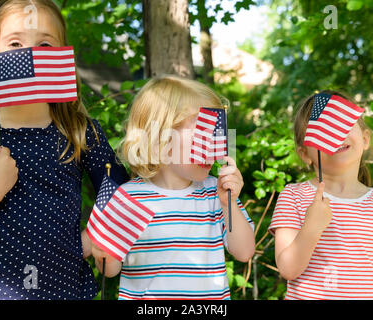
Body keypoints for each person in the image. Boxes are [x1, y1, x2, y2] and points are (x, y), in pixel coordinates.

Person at [0, 0, 128, 300]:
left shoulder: (79, 131)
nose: (31, 55)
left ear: (62, 56)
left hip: (68, 291)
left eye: (45, 45)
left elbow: (119, 190)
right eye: (15, 43)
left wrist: (92, 238)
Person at [89, 75, 255, 300]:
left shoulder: (215, 194)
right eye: (202, 134)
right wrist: (102, 254)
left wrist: (229, 204)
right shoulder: (128, 198)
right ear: (161, 140)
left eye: (216, 133)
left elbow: (244, 252)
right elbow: (111, 270)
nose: (214, 145)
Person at [268, 90, 373, 299]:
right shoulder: (293, 197)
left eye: (342, 124)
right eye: (324, 130)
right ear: (305, 155)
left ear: (365, 138)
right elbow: (288, 269)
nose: (335, 135)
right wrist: (312, 227)